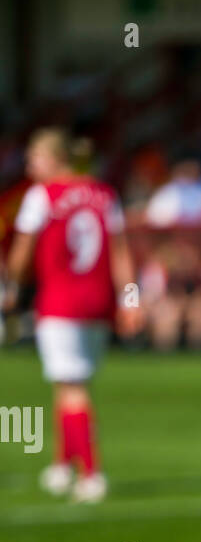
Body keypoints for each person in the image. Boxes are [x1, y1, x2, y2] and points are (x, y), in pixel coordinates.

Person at [3, 129, 141, 501]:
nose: (30, 166)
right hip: (99, 302)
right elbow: (121, 253)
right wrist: (130, 299)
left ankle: (91, 474)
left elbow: (21, 251)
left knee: (72, 387)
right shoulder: (104, 193)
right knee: (69, 383)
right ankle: (62, 465)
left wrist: (10, 287)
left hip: (60, 301)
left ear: (54, 158)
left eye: (34, 158)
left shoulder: (41, 195)